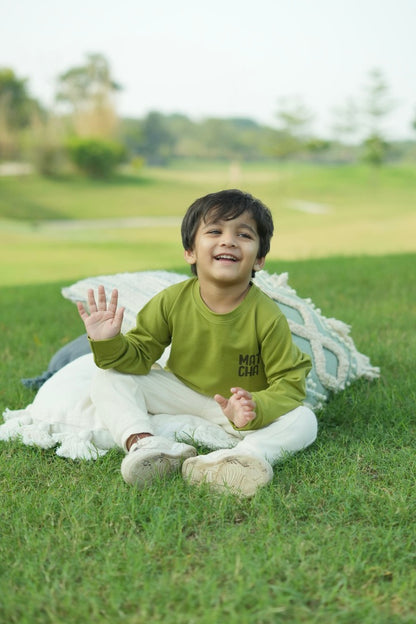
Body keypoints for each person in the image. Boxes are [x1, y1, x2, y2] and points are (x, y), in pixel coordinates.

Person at [77, 189, 317, 497]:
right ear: (190, 251)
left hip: (235, 411)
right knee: (110, 377)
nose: (228, 240)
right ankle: (146, 446)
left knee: (304, 419)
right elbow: (139, 356)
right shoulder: (171, 300)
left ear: (259, 259)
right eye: (215, 231)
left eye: (243, 234)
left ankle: (246, 459)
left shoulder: (267, 315)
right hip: (182, 391)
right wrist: (108, 342)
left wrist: (254, 408)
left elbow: (290, 382)